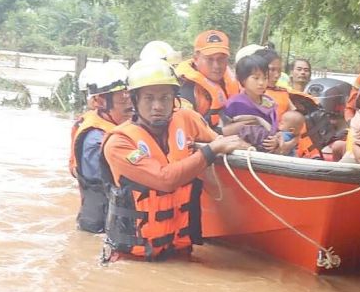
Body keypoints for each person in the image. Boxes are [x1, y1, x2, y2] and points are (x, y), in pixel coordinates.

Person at [100, 59, 248, 262]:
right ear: (134, 100)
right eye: (149, 98)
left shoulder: (187, 119)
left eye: (165, 98)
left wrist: (246, 148)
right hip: (134, 259)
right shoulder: (119, 143)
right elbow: (165, 180)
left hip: (179, 252)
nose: (158, 106)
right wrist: (211, 151)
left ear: (174, 99)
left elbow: (219, 140)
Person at [69, 62, 133, 233]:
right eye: (121, 96)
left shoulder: (115, 126)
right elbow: (119, 178)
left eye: (130, 93)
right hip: (100, 226)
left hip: (113, 221)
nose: (129, 100)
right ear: (100, 101)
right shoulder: (95, 139)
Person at [173, 30, 242, 130]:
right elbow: (186, 133)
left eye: (221, 59)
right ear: (196, 59)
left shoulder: (230, 81)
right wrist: (224, 132)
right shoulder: (186, 90)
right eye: (210, 59)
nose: (216, 65)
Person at [224, 54, 282, 153]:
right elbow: (224, 131)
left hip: (268, 156)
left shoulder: (270, 104)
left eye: (265, 78)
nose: (261, 83)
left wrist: (276, 140)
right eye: (256, 78)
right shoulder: (235, 104)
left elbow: (275, 129)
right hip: (242, 156)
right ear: (242, 79)